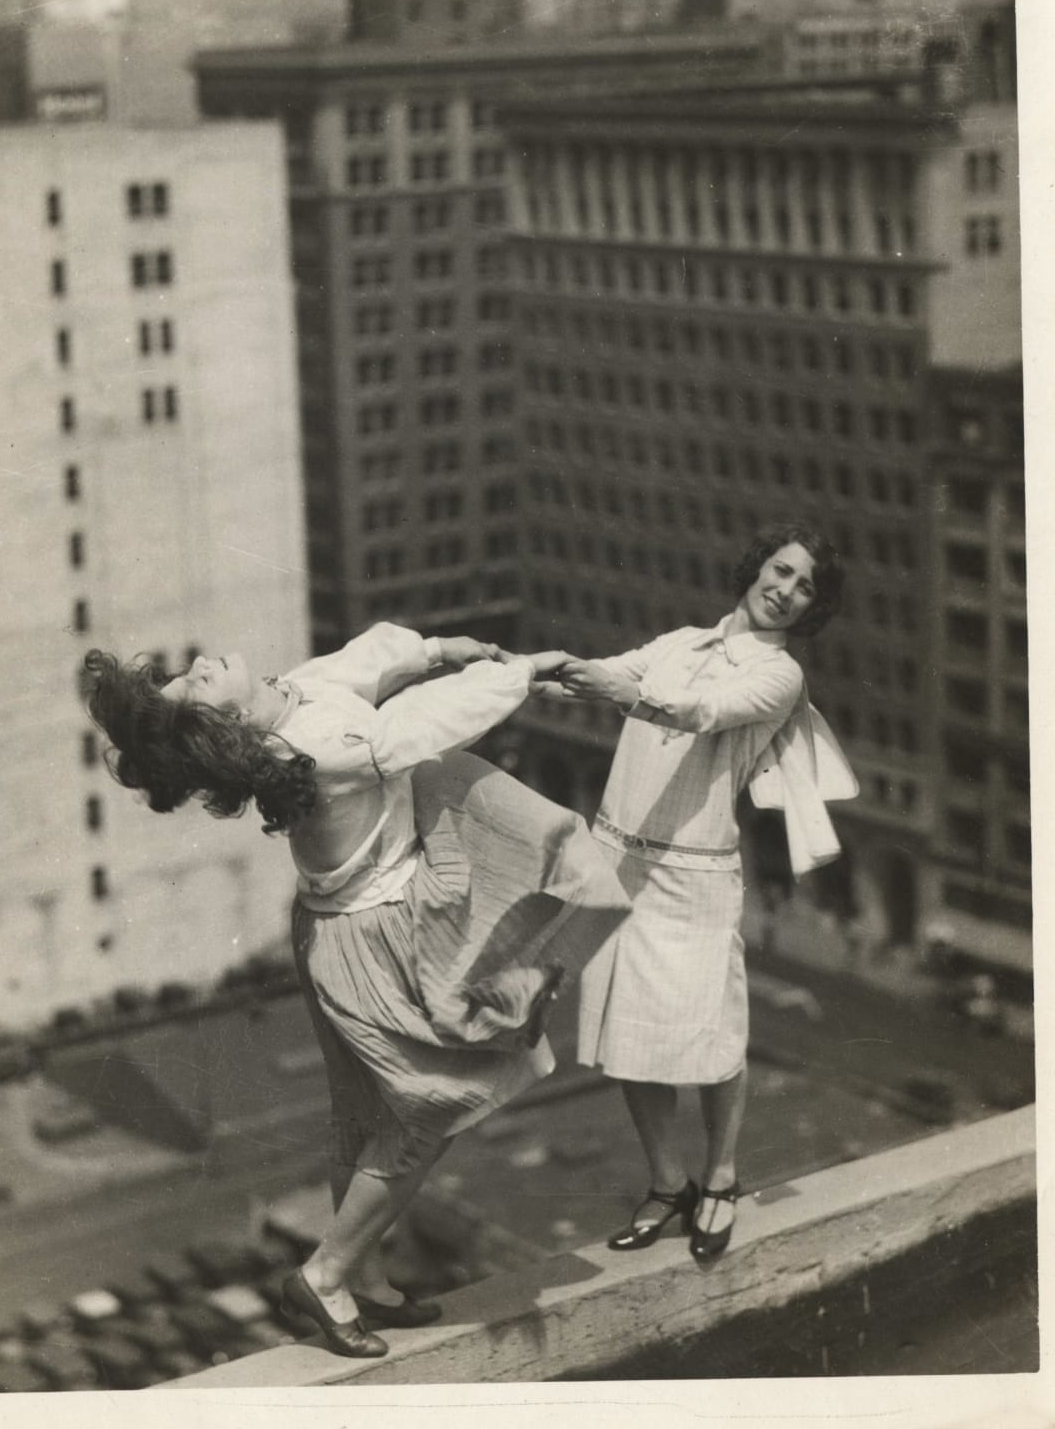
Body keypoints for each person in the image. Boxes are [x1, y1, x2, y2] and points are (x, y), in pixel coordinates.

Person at [83, 624, 629, 1357]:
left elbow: (357, 668)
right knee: (433, 1107)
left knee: (370, 1115)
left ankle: (362, 1278)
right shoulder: (316, 750)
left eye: (189, 672)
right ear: (229, 723)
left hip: (340, 931)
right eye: (198, 685)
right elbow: (421, 724)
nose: (203, 663)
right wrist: (522, 671)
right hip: (372, 939)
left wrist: (436, 651)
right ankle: (328, 1273)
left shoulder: (292, 700)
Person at [554, 523, 854, 1265]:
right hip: (617, 858)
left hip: (693, 877)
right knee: (628, 1041)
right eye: (780, 571)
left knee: (714, 1040)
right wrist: (517, 668)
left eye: (804, 586)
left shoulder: (781, 676)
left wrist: (620, 688)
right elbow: (604, 669)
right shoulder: (681, 641)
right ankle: (667, 1184)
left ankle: (720, 1177)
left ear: (812, 607)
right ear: (755, 568)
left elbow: (701, 712)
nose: (784, 590)